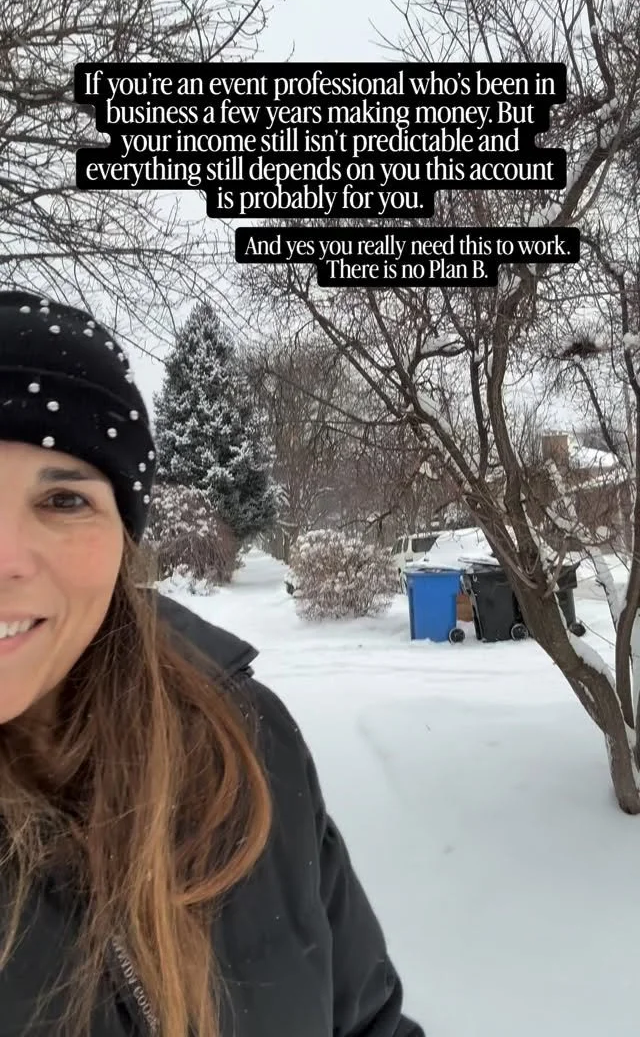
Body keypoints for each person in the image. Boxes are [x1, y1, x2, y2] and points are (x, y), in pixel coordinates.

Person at [0, 289, 424, 1037]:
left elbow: (368, 1023)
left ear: (123, 537)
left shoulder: (244, 740)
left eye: (64, 500)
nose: (6, 558)